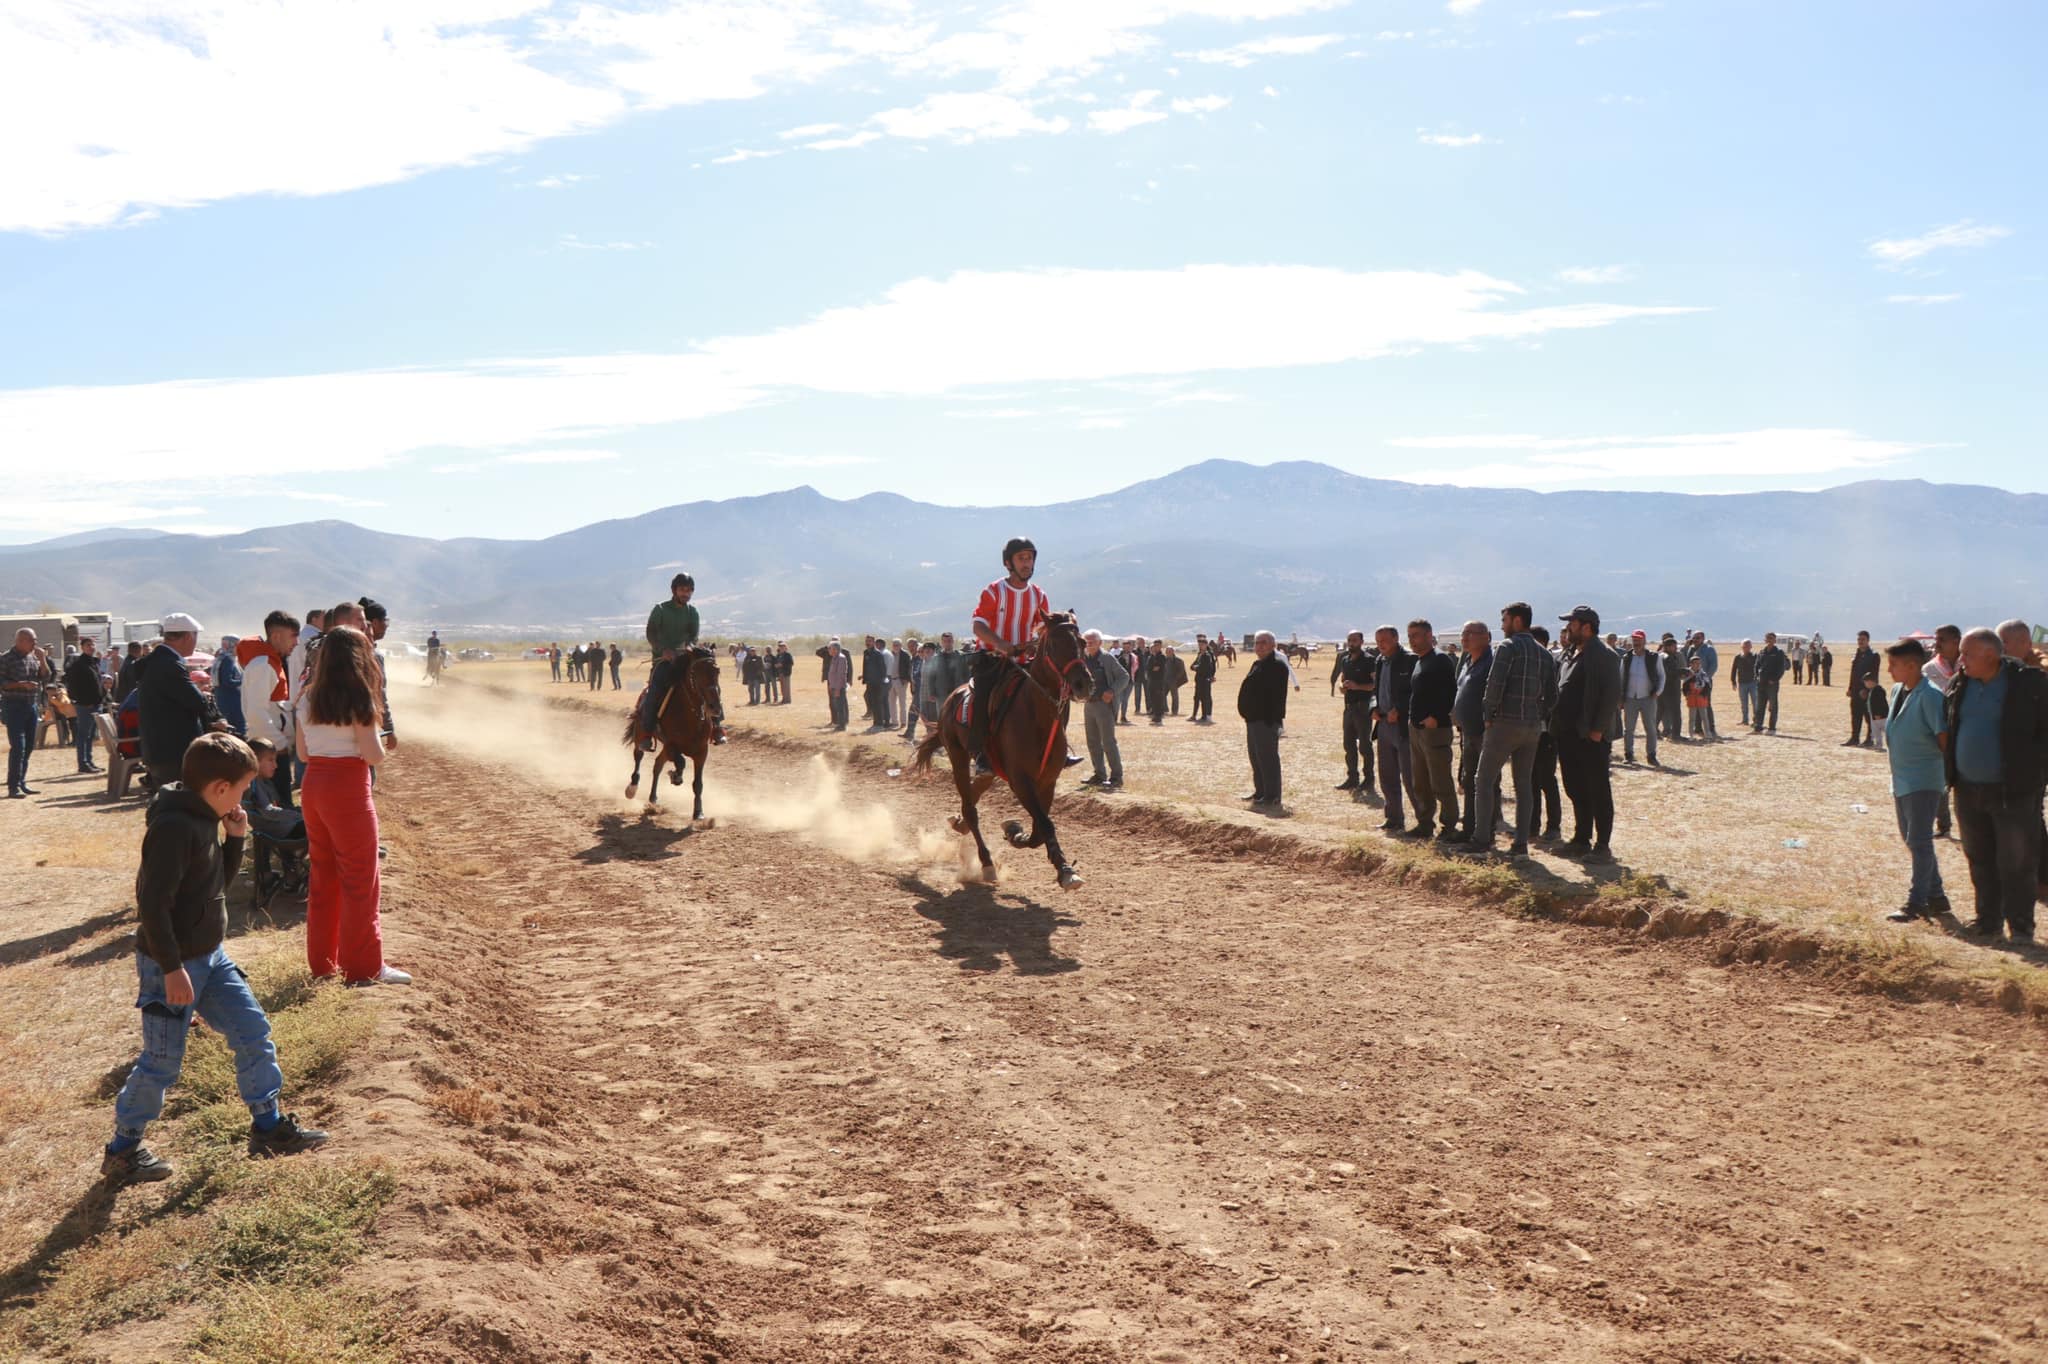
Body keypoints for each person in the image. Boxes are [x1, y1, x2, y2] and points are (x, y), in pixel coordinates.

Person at [102, 732, 330, 1184]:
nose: (248, 794)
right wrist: (170, 969)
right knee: (162, 1062)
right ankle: (123, 1150)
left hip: (211, 958)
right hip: (173, 964)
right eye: (245, 787)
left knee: (253, 1032)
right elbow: (152, 907)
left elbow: (214, 890)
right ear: (220, 787)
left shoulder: (208, 816)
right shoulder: (173, 828)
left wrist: (235, 839)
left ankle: (268, 1126)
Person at [296, 626, 408, 986]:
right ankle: (364, 968)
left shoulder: (307, 697)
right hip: (348, 788)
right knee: (361, 879)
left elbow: (302, 753)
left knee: (323, 876)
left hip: (313, 784)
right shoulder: (359, 699)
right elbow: (373, 755)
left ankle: (323, 964)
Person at [1943, 626, 2047, 943]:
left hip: (2012, 791)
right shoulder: (1959, 684)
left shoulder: (2028, 684)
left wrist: (2033, 774)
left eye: (1967, 653)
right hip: (1967, 788)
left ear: (1991, 654)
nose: (1961, 659)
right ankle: (1988, 923)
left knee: (2017, 863)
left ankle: (2021, 929)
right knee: (1980, 858)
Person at [1466, 603, 1559, 859]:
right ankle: (1520, 845)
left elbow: (1494, 684)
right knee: (1524, 785)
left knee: (1483, 780)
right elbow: (1553, 695)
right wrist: (1539, 715)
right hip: (1531, 727)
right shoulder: (1545, 654)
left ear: (1517, 621)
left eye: (1504, 619)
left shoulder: (1507, 647)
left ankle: (1482, 840)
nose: (1502, 624)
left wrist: (1488, 716)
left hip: (1504, 723)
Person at [967, 537, 1053, 775]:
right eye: (1021, 558)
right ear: (1008, 563)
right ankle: (981, 753)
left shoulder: (1039, 595)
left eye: (1030, 558)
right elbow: (979, 627)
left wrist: (1038, 643)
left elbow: (1040, 629)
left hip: (1026, 664)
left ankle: (1058, 748)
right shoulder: (994, 591)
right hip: (992, 661)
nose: (1027, 563)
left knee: (1054, 694)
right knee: (983, 695)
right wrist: (1004, 645)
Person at [1880, 640, 1950, 923]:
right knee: (1913, 840)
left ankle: (1916, 902)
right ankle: (1936, 896)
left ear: (1911, 665)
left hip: (1924, 779)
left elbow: (1944, 740)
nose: (1888, 670)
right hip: (1902, 779)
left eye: (1894, 664)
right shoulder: (1898, 691)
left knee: (1919, 841)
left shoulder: (1932, 696)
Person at [1553, 606, 1621, 864]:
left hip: (1590, 735)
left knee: (1598, 789)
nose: (1568, 628)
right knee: (1575, 787)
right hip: (1567, 733)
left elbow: (1610, 695)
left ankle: (1602, 845)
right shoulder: (1571, 654)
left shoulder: (1604, 655)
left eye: (1572, 623)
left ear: (1587, 627)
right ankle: (1581, 839)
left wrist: (1598, 730)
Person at [138, 613, 230, 792]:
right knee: (181, 807)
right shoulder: (169, 664)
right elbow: (196, 701)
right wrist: (204, 697)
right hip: (173, 751)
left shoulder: (157, 660)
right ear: (188, 636)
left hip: (161, 748)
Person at [639, 573, 724, 749]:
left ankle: (717, 727)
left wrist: (689, 647)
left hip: (685, 660)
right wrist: (663, 650)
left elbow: (693, 636)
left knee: (710, 684)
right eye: (682, 590)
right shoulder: (660, 609)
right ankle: (647, 733)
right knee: (654, 693)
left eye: (689, 590)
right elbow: (651, 633)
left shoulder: (692, 612)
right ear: (674, 590)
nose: (686, 593)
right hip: (663, 662)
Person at [1404, 620, 1458, 841]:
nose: (1412, 640)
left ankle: (1449, 826)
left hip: (1435, 730)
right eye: (1409, 636)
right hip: (1416, 730)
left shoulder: (1440, 660)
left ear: (1429, 635)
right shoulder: (1419, 662)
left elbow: (1450, 693)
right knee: (1421, 780)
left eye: (1416, 635)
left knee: (1440, 780)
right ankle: (1425, 823)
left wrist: (1436, 717)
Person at [1449, 621, 1494, 844]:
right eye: (1463, 633)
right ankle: (1468, 827)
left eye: (1470, 634)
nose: (1464, 638)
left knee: (1486, 782)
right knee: (1468, 780)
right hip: (1467, 732)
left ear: (1486, 637)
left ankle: (1486, 830)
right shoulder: (1467, 660)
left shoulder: (1491, 663)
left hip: (1484, 732)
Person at [1371, 625, 1416, 832]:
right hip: (1383, 725)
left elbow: (1415, 691)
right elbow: (1376, 690)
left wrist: (1400, 709)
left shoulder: (1409, 659)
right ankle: (1394, 818)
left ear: (1396, 638)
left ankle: (1424, 822)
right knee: (1387, 775)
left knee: (1410, 777)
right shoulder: (1380, 661)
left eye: (1385, 640)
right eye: (1378, 640)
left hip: (1403, 726)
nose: (1381, 644)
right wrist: (1374, 707)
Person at [1238, 631, 1288, 807]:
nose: (1259, 646)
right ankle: (1260, 791)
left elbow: (1275, 696)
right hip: (1253, 720)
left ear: (1273, 645)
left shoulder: (1277, 665)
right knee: (1256, 758)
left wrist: (1270, 720)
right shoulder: (1257, 664)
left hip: (1265, 721)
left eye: (1263, 642)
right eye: (1257, 642)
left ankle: (1272, 796)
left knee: (1268, 759)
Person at [4, 627, 52, 797]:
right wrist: (20, 684)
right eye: (32, 640)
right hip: (14, 706)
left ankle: (21, 782)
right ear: (20, 641)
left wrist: (43, 660)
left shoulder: (33, 657)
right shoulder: (6, 659)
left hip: (31, 706)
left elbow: (45, 677)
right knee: (18, 747)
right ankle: (13, 787)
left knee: (29, 746)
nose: (35, 643)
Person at [1923, 624, 1962, 837]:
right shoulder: (1929, 670)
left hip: (1966, 734)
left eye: (1942, 640)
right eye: (1936, 640)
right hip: (1939, 731)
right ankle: (1943, 824)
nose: (1936, 644)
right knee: (1939, 780)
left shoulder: (1973, 665)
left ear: (1956, 641)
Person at [1079, 630, 1128, 790]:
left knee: (1108, 741)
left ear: (1100, 643)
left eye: (1092, 641)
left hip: (1104, 705)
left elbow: (1124, 676)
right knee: (1092, 742)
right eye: (1086, 641)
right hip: (1089, 704)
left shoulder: (1107, 658)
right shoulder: (1083, 659)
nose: (1089, 643)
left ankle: (1116, 777)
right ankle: (1099, 775)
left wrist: (1112, 691)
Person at [1332, 630, 1377, 795]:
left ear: (1362, 641)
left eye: (1355, 640)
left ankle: (1369, 778)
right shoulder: (1345, 660)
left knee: (1365, 745)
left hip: (1363, 706)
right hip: (1349, 707)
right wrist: (1342, 687)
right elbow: (1343, 679)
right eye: (1349, 640)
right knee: (1348, 744)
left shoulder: (1369, 660)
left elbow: (1374, 685)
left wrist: (1358, 686)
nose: (1351, 643)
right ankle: (1352, 778)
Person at [1618, 630, 1664, 767]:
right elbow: (1621, 678)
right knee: (1629, 729)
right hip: (1630, 698)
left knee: (1650, 728)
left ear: (1644, 641)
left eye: (1639, 639)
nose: (1636, 642)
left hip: (1648, 697)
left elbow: (1662, 676)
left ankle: (1651, 755)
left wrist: (1658, 692)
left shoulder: (1654, 657)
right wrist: (1621, 697)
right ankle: (1629, 755)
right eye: (1634, 640)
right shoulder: (1626, 658)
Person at [65, 635, 107, 774]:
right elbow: (72, 684)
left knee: (91, 736)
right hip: (85, 705)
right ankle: (82, 763)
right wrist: (80, 701)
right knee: (83, 735)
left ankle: (89, 761)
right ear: (82, 647)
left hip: (96, 704)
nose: (91, 647)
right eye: (88, 645)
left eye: (93, 645)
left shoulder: (93, 662)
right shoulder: (78, 664)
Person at [1844, 631, 1880, 746]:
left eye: (1863, 639)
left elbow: (1874, 674)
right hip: (1855, 691)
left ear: (1868, 640)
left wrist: (1868, 689)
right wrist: (1850, 688)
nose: (1860, 642)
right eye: (1859, 640)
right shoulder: (1857, 655)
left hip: (1867, 691)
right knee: (1855, 715)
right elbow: (1853, 674)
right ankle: (1855, 738)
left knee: (1868, 716)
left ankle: (1870, 739)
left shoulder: (1874, 655)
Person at [1753, 632, 1789, 733]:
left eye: (1771, 638)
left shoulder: (1778, 652)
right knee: (1760, 706)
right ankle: (1758, 726)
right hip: (1761, 683)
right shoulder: (1761, 652)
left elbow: (1781, 669)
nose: (1769, 640)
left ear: (1775, 640)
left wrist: (1774, 679)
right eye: (1767, 638)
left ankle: (1772, 727)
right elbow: (1756, 665)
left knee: (1773, 706)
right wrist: (1756, 677)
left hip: (1772, 684)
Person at [823, 639, 851, 730]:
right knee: (837, 706)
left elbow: (840, 675)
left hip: (839, 687)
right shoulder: (835, 658)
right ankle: (840, 723)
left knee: (840, 706)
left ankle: (842, 725)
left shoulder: (841, 658)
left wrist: (838, 689)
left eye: (830, 649)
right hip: (834, 686)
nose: (829, 650)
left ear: (835, 649)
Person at [1731, 639, 1758, 728]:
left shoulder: (1755, 656)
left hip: (1753, 683)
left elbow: (1758, 669)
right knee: (1744, 703)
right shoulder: (1738, 657)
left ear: (1751, 647)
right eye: (1744, 646)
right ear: (1741, 647)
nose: (1746, 647)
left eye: (1748, 646)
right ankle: (1745, 720)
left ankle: (1756, 720)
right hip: (1742, 683)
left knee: (1755, 702)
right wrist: (1733, 681)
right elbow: (1734, 669)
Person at [1190, 642, 1217, 723]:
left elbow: (1207, 667)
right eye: (1199, 645)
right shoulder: (1200, 654)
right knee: (1197, 697)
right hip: (1199, 680)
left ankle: (1207, 716)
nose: (1200, 646)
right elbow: (1192, 666)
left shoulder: (1207, 655)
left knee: (1206, 698)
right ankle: (1197, 716)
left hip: (1205, 679)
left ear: (1206, 645)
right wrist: (1196, 667)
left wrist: (1211, 676)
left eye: (1202, 645)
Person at [1144, 641, 1169, 725]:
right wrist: (1152, 669)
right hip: (1151, 681)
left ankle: (1159, 716)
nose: (1155, 647)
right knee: (1152, 698)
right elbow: (1148, 668)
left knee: (1158, 698)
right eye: (1154, 646)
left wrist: (1152, 669)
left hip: (1159, 681)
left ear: (1160, 646)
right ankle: (1155, 715)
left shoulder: (1162, 657)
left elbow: (1158, 668)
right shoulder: (1151, 657)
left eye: (1157, 646)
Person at [1863, 673, 1889, 751]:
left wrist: (1878, 713)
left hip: (1880, 716)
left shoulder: (1879, 690)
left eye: (1866, 682)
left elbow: (1881, 703)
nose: (1865, 684)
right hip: (1874, 715)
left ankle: (1893, 745)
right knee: (1876, 732)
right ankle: (1878, 745)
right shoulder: (1872, 690)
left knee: (1886, 730)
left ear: (1872, 681)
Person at [1166, 646, 1188, 716]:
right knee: (1162, 696)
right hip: (1164, 681)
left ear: (1173, 652)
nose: (1168, 653)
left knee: (1175, 696)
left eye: (1169, 651)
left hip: (1173, 681)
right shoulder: (1163, 660)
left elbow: (1181, 671)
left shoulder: (1179, 661)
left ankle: (1174, 711)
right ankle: (1165, 709)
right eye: (1167, 652)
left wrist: (1175, 679)